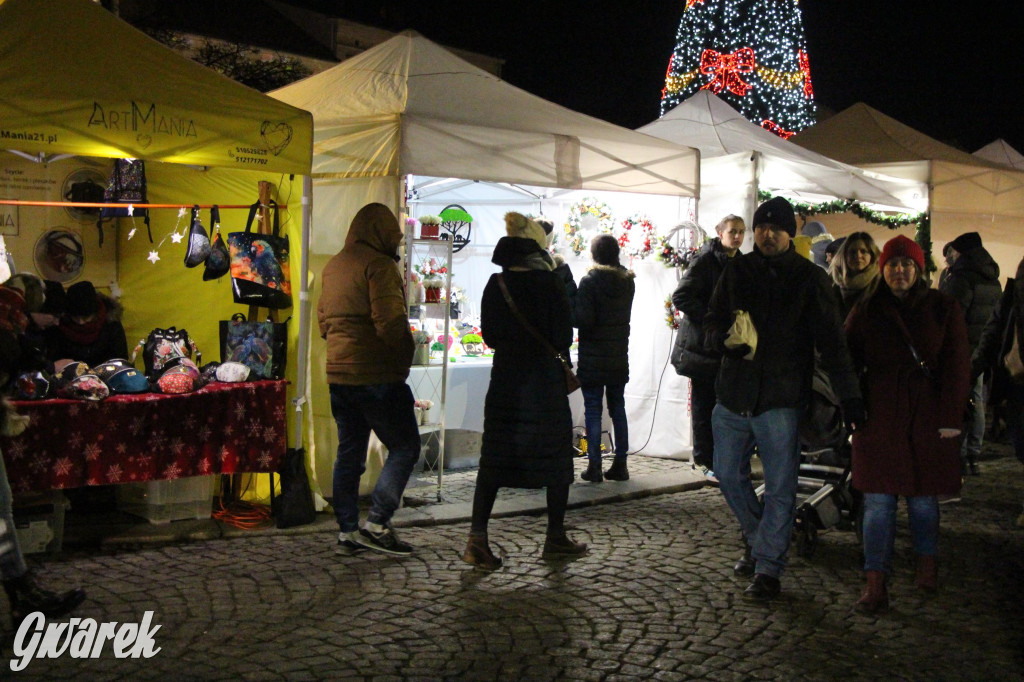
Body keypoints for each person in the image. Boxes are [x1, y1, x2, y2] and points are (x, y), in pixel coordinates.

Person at [704, 196, 864, 601]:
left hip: (781, 397)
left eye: (775, 228)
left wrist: (850, 398)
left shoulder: (810, 279)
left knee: (780, 486)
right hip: (734, 392)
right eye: (761, 227)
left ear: (789, 234)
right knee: (726, 473)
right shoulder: (736, 269)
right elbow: (712, 320)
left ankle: (769, 567)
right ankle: (762, 544)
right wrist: (726, 342)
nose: (767, 234)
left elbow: (833, 344)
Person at [845, 235, 971, 612]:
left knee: (922, 500)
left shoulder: (942, 307)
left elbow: (958, 365)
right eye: (893, 265)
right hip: (879, 416)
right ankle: (875, 582)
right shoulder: (866, 309)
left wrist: (950, 418)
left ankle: (926, 564)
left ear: (919, 270)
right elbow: (845, 358)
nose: (899, 271)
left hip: (927, 417)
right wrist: (853, 406)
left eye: (907, 265)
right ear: (882, 269)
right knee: (878, 502)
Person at [462, 212, 584, 570]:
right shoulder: (551, 285)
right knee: (556, 460)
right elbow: (563, 336)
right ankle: (555, 537)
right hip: (543, 384)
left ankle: (477, 540)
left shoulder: (495, 284)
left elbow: (488, 337)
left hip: (506, 384)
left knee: (494, 459)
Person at [318, 203, 421, 556]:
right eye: (393, 236)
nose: (396, 243)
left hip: (338, 375)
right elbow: (391, 323)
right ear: (380, 233)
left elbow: (323, 325)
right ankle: (377, 523)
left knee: (349, 453)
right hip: (375, 374)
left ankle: (348, 531)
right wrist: (404, 360)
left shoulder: (333, 266)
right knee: (406, 446)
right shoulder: (379, 266)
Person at [671, 214, 746, 481]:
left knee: (723, 406)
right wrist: (710, 317)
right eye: (732, 231)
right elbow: (681, 296)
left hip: (724, 346)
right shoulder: (705, 261)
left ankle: (722, 459)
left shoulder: (740, 263)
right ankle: (703, 460)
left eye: (741, 232)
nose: (737, 236)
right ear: (719, 232)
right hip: (701, 347)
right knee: (704, 406)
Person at [939, 232, 1001, 475]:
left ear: (961, 251)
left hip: (960, 350)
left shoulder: (962, 278)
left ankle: (959, 454)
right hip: (981, 349)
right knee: (976, 400)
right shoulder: (991, 277)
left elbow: (949, 315)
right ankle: (973, 453)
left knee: (958, 401)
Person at [575, 234, 635, 483]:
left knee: (593, 409)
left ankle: (595, 466)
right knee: (618, 408)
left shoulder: (589, 282)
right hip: (618, 355)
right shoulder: (627, 282)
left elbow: (583, 319)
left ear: (594, 254)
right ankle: (621, 464)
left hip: (593, 356)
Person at [970, 254, 1024, 526]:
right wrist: (973, 368)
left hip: (1016, 380)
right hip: (1017, 380)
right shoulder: (1014, 293)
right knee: (1021, 441)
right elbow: (992, 332)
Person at [50, 281, 129, 367]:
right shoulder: (60, 326)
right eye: (76, 318)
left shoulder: (110, 323)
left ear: (95, 313)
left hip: (106, 375)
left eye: (85, 318)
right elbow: (54, 357)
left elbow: (120, 358)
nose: (81, 322)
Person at [827, 231, 881, 321]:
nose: (858, 256)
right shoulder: (832, 282)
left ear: (872, 255)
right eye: (852, 252)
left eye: (863, 251)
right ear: (845, 256)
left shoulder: (881, 283)